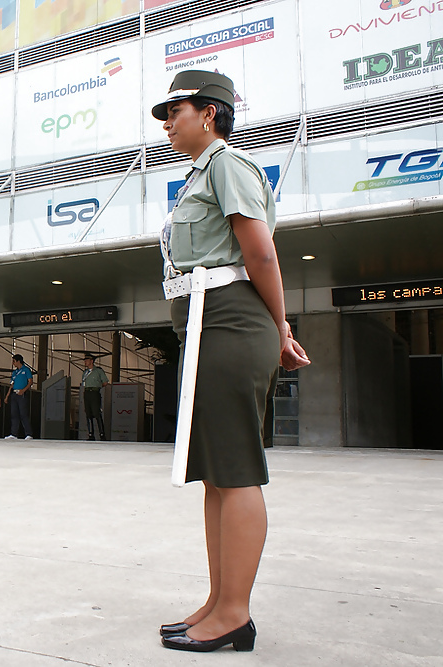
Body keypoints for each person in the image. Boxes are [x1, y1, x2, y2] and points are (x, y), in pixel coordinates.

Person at [152, 70, 310, 652]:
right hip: (206, 325)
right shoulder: (201, 174)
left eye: (176, 110)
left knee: (236, 468)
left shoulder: (227, 165)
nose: (168, 123)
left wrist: (280, 326)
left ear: (209, 113)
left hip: (229, 320)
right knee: (215, 474)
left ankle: (236, 613)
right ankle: (219, 601)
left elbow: (261, 253)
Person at [4, 354, 33, 440]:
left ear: (18, 361)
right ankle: (14, 434)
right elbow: (12, 384)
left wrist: (23, 390)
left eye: (14, 361)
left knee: (23, 414)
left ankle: (28, 434)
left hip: (22, 394)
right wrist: (7, 395)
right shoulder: (14, 372)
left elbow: (30, 382)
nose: (13, 363)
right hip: (14, 394)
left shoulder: (26, 370)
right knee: (14, 414)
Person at [81, 353, 108, 441]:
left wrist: (97, 386)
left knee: (97, 413)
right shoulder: (85, 372)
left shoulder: (98, 371)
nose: (85, 362)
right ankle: (90, 434)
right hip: (87, 392)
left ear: (91, 361)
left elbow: (105, 382)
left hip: (95, 392)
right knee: (88, 413)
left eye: (86, 360)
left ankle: (102, 434)